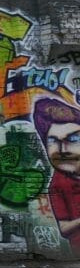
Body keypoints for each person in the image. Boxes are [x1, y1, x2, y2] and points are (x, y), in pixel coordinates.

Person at [33, 98, 80, 251]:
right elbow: (64, 229)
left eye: (73, 139)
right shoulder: (58, 183)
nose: (62, 150)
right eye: (53, 141)